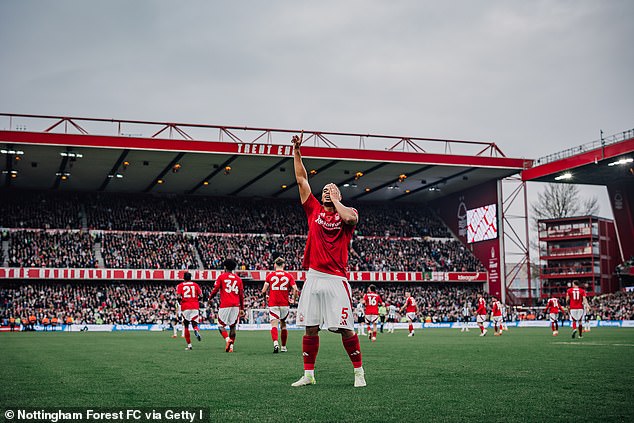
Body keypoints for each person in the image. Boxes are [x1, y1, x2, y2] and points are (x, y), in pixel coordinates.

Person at [290, 132, 366, 388]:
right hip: (313, 276)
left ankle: (359, 373)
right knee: (310, 327)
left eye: (331, 191)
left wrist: (336, 199)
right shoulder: (313, 210)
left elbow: (351, 220)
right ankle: (309, 374)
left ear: (339, 196)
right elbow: (301, 179)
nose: (325, 192)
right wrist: (297, 152)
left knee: (345, 328)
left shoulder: (349, 213)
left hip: (336, 279)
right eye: (324, 190)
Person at [262, 256, 300, 353]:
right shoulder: (289, 276)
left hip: (273, 303)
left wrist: (265, 298)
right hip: (284, 304)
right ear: (283, 265)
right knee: (283, 325)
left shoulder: (270, 276)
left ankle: (275, 343)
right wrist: (293, 300)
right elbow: (295, 289)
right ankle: (283, 347)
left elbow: (263, 290)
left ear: (275, 265)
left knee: (274, 324)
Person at [210, 259, 244, 352]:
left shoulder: (221, 277)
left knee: (220, 325)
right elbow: (241, 294)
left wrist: (210, 298)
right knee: (233, 326)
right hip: (236, 305)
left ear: (225, 267)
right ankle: (231, 347)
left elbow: (215, 289)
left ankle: (227, 340)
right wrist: (242, 308)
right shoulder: (238, 279)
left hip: (225, 304)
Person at [176, 272, 202, 350]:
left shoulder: (180, 286)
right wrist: (197, 300)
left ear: (184, 278)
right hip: (195, 306)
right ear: (191, 278)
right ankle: (195, 329)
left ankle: (189, 345)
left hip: (185, 306)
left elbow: (178, 296)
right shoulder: (195, 285)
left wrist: (181, 302)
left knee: (186, 325)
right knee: (194, 323)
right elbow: (201, 296)